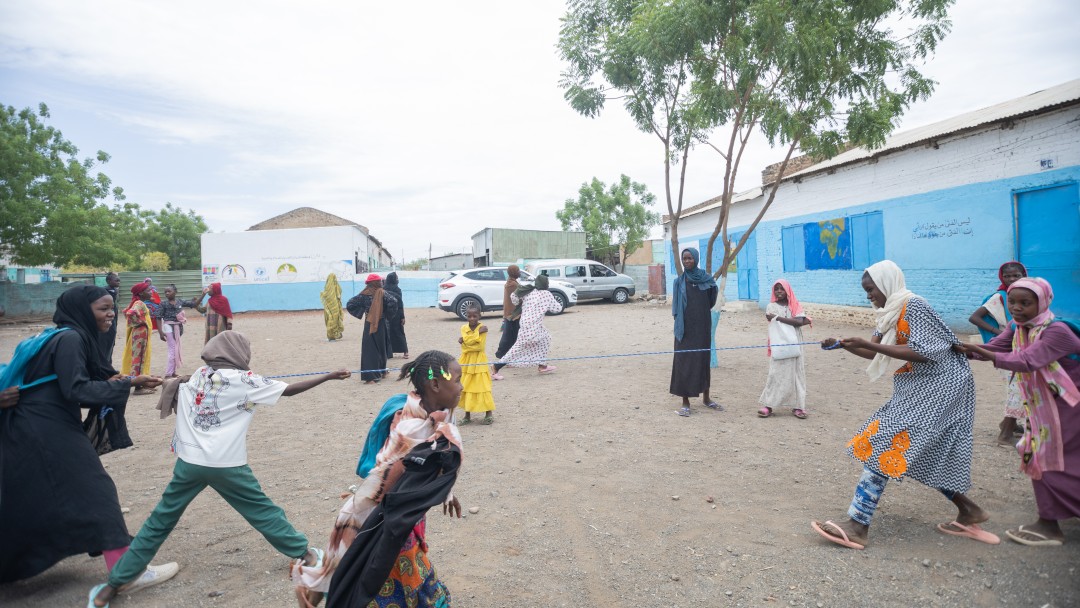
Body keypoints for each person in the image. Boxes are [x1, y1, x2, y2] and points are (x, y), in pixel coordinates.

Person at [89, 331, 351, 608]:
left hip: (189, 463)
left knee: (159, 522)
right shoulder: (247, 381)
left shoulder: (199, 375)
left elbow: (180, 382)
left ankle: (112, 586)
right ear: (240, 354)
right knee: (262, 512)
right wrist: (329, 375)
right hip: (226, 464)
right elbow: (289, 390)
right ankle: (308, 555)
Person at [811, 260, 998, 550]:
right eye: (866, 290)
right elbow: (874, 353)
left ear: (886, 284)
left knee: (888, 439)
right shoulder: (888, 312)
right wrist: (842, 344)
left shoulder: (914, 305)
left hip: (944, 383)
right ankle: (970, 510)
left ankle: (858, 524)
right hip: (920, 383)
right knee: (924, 450)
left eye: (871, 289)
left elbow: (925, 352)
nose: (868, 295)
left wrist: (869, 344)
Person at [0, 286, 174, 590]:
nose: (110, 315)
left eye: (111, 308)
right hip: (46, 428)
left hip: (37, 425)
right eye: (102, 309)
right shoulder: (71, 338)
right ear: (82, 309)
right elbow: (76, 390)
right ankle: (127, 573)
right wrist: (130, 383)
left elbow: (63, 381)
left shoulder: (56, 334)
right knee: (96, 490)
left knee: (45, 494)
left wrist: (111, 381)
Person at [292, 350, 463, 608]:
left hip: (405, 509)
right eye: (458, 380)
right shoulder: (409, 426)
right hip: (381, 512)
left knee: (358, 565)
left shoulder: (441, 414)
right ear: (436, 385)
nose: (462, 386)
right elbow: (386, 469)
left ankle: (317, 595)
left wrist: (445, 490)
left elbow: (432, 464)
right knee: (370, 566)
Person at [957, 277, 1080, 546]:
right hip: (1045, 406)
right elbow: (996, 348)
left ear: (1043, 301)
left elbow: (1027, 361)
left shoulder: (1056, 331)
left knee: (1044, 457)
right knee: (1054, 457)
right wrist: (963, 351)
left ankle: (1050, 525)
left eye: (1025, 303)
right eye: (1012, 302)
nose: (1016, 308)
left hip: (1068, 405)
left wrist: (979, 352)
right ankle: (1054, 516)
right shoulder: (1019, 327)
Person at [968, 261, 1029, 444]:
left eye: (1016, 275)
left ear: (1024, 275)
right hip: (1007, 347)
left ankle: (1007, 424)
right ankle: (1006, 434)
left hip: (1022, 346)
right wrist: (999, 332)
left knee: (1021, 387)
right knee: (1017, 388)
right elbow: (974, 317)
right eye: (1007, 276)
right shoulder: (1000, 296)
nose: (1011, 279)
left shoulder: (1029, 293)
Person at [670, 247, 721, 417]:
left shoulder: (707, 280)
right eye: (684, 259)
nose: (687, 261)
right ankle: (685, 402)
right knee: (684, 362)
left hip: (702, 327)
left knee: (703, 361)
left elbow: (712, 300)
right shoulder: (679, 282)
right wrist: (681, 323)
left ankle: (706, 398)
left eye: (690, 258)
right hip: (685, 329)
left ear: (696, 259)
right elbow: (675, 309)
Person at [758, 279, 811, 419]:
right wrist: (796, 321)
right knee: (776, 373)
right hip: (779, 342)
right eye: (777, 289)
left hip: (796, 343)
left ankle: (798, 406)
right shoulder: (771, 306)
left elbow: (799, 322)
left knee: (797, 374)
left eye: (782, 288)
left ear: (787, 290)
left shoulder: (794, 305)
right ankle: (768, 405)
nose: (779, 291)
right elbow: (799, 321)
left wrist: (777, 318)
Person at [495, 274, 562, 375]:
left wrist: (518, 302)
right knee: (518, 347)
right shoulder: (547, 294)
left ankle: (542, 365)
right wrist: (549, 304)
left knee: (546, 338)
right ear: (545, 284)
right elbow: (557, 309)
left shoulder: (529, 291)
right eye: (547, 283)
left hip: (527, 323)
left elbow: (513, 296)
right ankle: (496, 366)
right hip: (532, 326)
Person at [346, 274, 400, 384]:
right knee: (382, 347)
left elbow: (350, 304)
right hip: (381, 324)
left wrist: (362, 312)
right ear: (376, 282)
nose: (381, 283)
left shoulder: (364, 294)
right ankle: (381, 372)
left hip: (369, 324)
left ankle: (371, 377)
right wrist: (387, 315)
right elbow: (394, 302)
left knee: (369, 350)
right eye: (380, 281)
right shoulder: (383, 293)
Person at [459, 305, 495, 424]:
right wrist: (476, 335)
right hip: (466, 361)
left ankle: (488, 413)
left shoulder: (483, 327)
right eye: (469, 316)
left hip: (479, 360)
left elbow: (480, 346)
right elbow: (465, 348)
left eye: (475, 316)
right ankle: (467, 415)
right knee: (466, 386)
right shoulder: (464, 328)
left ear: (480, 315)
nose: (472, 318)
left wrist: (466, 341)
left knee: (482, 386)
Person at [157, 284, 198, 378]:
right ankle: (168, 374)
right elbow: (158, 318)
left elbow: (194, 304)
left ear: (175, 292)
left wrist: (203, 294)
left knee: (176, 348)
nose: (167, 293)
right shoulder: (163, 304)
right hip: (168, 327)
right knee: (172, 349)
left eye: (169, 291)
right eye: (165, 292)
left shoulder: (180, 301)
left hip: (178, 328)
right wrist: (160, 332)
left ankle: (173, 372)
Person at [122, 283, 156, 394]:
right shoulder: (139, 303)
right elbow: (130, 313)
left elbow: (125, 310)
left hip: (138, 334)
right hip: (140, 335)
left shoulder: (136, 302)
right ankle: (138, 387)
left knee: (138, 358)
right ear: (141, 293)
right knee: (139, 359)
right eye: (148, 290)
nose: (151, 292)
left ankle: (140, 384)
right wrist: (142, 323)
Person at [491, 265, 522, 381]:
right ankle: (502, 358)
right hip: (513, 315)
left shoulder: (511, 282)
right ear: (513, 272)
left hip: (510, 314)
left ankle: (505, 357)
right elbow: (519, 297)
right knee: (511, 338)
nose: (519, 272)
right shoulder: (513, 284)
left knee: (510, 337)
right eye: (518, 270)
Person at [383, 272, 409, 358]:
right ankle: (405, 352)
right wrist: (402, 316)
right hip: (396, 314)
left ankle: (388, 353)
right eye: (396, 278)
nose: (397, 279)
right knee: (399, 332)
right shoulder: (397, 290)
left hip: (386, 314)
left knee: (388, 333)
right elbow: (400, 304)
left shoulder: (383, 289)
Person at [102, 272, 121, 364]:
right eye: (116, 280)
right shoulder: (103, 291)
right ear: (109, 281)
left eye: (119, 280)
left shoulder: (114, 290)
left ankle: (109, 364)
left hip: (114, 319)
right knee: (106, 342)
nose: (118, 281)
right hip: (107, 320)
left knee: (111, 342)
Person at [321, 273, 344, 341]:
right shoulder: (337, 286)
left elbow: (325, 295)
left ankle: (331, 337)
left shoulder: (327, 287)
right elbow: (339, 293)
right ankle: (337, 334)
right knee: (336, 319)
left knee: (330, 320)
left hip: (329, 308)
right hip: (336, 306)